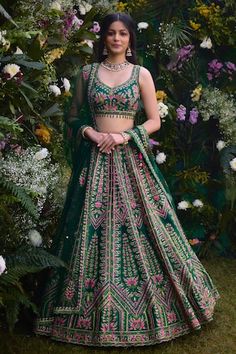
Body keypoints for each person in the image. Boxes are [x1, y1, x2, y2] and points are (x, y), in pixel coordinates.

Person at [34, 12, 221, 347]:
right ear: (103, 38)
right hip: (95, 161)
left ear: (131, 39)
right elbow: (73, 115)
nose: (116, 39)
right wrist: (91, 131)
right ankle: (80, 311)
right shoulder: (87, 74)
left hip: (130, 160)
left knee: (146, 226)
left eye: (123, 34)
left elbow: (153, 121)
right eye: (111, 33)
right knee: (88, 229)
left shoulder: (141, 74)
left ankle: (167, 303)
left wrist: (123, 137)